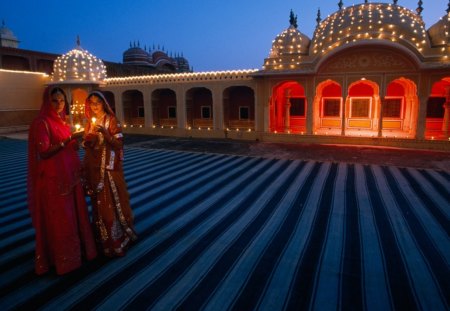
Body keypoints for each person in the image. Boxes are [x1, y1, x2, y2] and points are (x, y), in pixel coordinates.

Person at [27, 86, 97, 275]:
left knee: (74, 214)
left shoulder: (61, 121)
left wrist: (78, 142)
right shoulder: (41, 123)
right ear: (47, 102)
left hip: (69, 176)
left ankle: (79, 252)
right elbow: (44, 151)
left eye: (62, 100)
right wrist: (68, 140)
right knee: (61, 218)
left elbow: (70, 148)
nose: (59, 104)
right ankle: (63, 259)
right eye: (54, 101)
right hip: (54, 179)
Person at [82, 91, 137, 257]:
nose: (95, 106)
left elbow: (118, 144)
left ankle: (116, 240)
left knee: (110, 204)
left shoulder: (111, 120)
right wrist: (87, 142)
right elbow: (87, 144)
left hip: (109, 170)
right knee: (99, 205)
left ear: (104, 103)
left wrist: (106, 135)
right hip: (94, 170)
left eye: (98, 102)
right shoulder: (90, 123)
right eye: (92, 103)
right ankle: (103, 241)